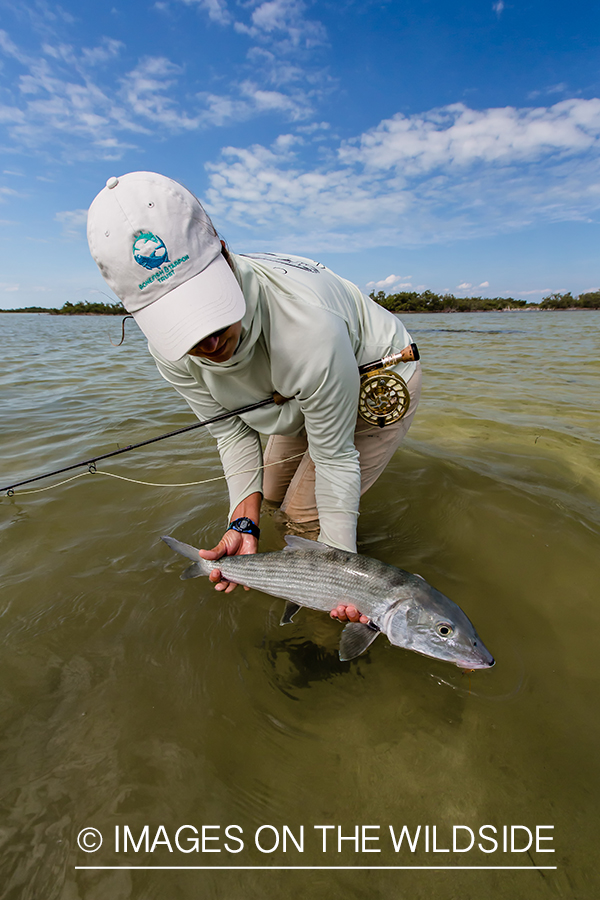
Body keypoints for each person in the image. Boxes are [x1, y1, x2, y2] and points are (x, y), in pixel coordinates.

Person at [87, 171, 421, 624]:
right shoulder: (168, 353)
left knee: (305, 515)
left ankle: (316, 640)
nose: (206, 345)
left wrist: (342, 576)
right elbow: (232, 431)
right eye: (179, 324)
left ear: (223, 253)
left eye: (207, 312)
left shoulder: (307, 330)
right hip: (290, 388)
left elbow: (336, 458)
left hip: (374, 370)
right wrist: (242, 523)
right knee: (269, 499)